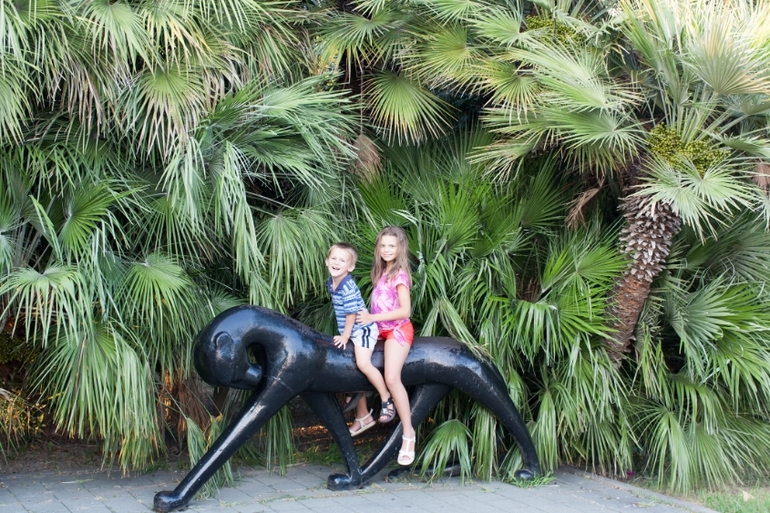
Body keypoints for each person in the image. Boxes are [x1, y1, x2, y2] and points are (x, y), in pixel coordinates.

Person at [354, 226, 416, 466]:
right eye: (383, 245)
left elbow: (405, 311)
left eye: (391, 246)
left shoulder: (399, 274)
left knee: (391, 377)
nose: (387, 249)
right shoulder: (381, 271)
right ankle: (362, 414)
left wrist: (371, 318)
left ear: (400, 248)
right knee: (354, 360)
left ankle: (408, 434)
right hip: (377, 329)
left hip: (397, 329)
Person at [325, 243, 392, 437]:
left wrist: (345, 336)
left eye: (342, 260)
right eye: (334, 259)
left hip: (362, 330)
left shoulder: (347, 286)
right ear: (327, 261)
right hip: (350, 330)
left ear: (351, 267)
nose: (337, 263)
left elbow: (351, 314)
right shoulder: (332, 282)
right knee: (349, 365)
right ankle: (361, 413)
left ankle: (386, 397)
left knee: (363, 363)